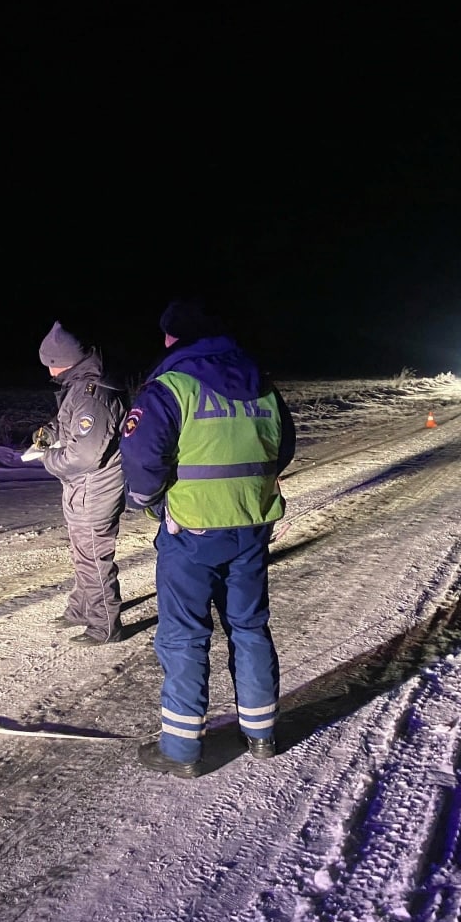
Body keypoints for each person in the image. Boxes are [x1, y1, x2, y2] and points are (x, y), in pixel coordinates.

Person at [119, 299, 296, 777]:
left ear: (174, 339)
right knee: (250, 627)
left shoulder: (169, 387)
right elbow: (285, 447)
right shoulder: (261, 383)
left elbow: (141, 459)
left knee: (184, 637)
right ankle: (261, 733)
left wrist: (155, 503)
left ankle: (181, 750)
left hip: (190, 533)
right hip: (251, 527)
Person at [29, 321, 129, 645]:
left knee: (94, 559)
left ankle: (105, 626)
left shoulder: (91, 394)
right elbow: (71, 426)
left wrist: (49, 460)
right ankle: (81, 608)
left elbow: (84, 454)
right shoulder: (81, 386)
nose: (50, 372)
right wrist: (49, 434)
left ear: (63, 361)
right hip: (85, 489)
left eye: (51, 365)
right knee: (83, 554)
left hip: (95, 489)